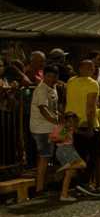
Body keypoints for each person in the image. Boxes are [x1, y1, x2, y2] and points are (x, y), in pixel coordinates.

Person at [65, 59, 100, 197]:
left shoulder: (71, 81)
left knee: (79, 156)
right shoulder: (92, 83)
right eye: (90, 68)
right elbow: (90, 107)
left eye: (92, 68)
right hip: (87, 123)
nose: (92, 70)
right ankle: (85, 183)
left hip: (72, 124)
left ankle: (80, 184)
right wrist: (91, 127)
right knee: (94, 156)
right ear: (81, 68)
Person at [30, 66, 61, 198]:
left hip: (49, 127)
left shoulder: (53, 87)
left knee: (47, 158)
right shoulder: (41, 89)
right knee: (44, 157)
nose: (51, 79)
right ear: (44, 76)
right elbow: (43, 109)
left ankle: (45, 185)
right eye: (49, 76)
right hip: (42, 128)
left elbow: (53, 108)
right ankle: (39, 189)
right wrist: (57, 121)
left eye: (54, 76)